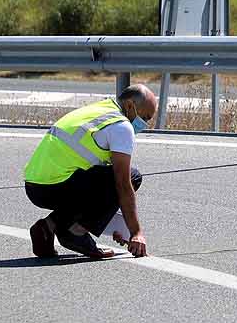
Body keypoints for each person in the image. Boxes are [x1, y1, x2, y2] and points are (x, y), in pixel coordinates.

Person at [22, 84, 158, 260]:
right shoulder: (122, 127)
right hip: (57, 187)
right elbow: (122, 185)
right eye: (145, 117)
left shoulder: (101, 109)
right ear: (131, 106)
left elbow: (102, 194)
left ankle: (48, 226)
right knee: (133, 177)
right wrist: (136, 232)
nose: (144, 124)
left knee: (103, 180)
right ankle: (76, 232)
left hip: (35, 186)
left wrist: (119, 228)